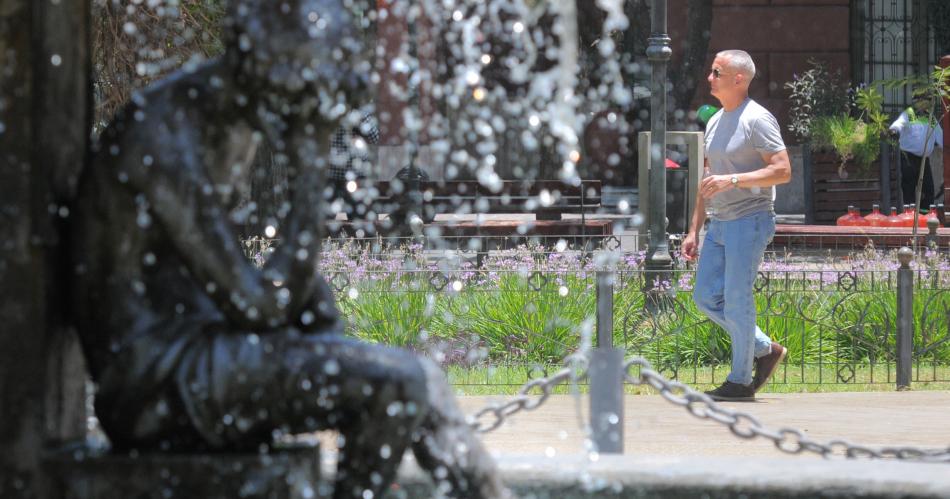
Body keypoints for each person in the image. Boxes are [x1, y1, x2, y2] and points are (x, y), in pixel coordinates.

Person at [71, 1, 509, 497]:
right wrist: (311, 166)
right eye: (306, 92)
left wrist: (318, 318)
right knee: (398, 385)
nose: (313, 112)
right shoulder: (163, 138)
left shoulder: (232, 117)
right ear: (266, 69)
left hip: (203, 346)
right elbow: (257, 304)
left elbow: (243, 286)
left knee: (420, 378)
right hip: (155, 383)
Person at [681, 50, 791, 402]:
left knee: (737, 301)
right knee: (704, 297)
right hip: (720, 223)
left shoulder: (757, 119)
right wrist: (694, 229)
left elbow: (782, 170)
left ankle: (740, 381)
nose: (709, 78)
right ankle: (764, 349)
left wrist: (733, 180)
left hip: (751, 219)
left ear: (739, 79)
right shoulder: (715, 121)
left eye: (716, 72)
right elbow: (707, 181)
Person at [889, 98, 944, 209]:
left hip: (924, 160)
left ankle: (924, 215)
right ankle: (910, 216)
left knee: (928, 191)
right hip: (909, 159)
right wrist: (894, 131)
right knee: (909, 190)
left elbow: (940, 135)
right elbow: (899, 124)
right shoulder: (909, 114)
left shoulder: (930, 117)